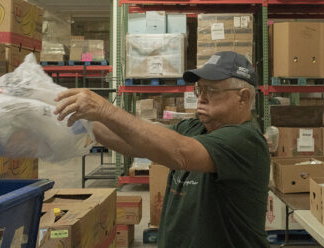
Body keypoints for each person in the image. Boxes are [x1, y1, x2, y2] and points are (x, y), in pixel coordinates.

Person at [54, 51, 271, 248]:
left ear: (242, 97)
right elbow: (135, 143)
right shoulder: (195, 127)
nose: (201, 97)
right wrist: (82, 121)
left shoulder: (245, 140)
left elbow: (181, 153)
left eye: (211, 90)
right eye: (199, 89)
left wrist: (104, 109)